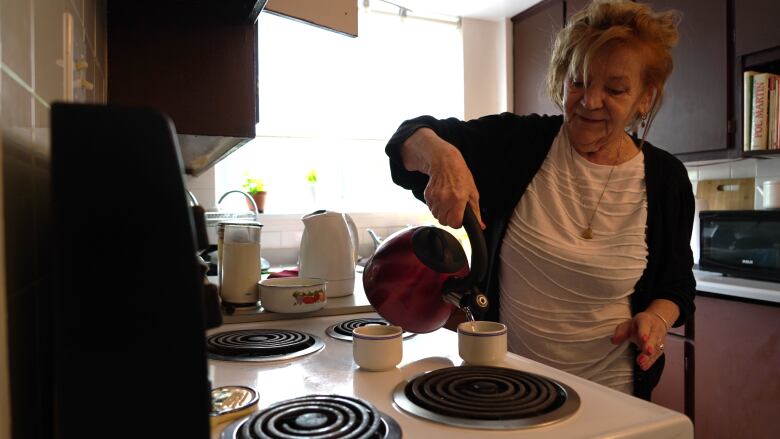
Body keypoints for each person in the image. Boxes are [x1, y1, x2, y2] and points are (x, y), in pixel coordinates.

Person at [384, 0, 695, 399]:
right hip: (510, 389)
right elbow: (407, 139)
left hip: (613, 398)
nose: (590, 101)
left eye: (615, 89)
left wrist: (655, 316)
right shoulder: (518, 145)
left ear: (644, 99)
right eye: (578, 81)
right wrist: (444, 157)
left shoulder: (666, 179)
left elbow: (677, 284)